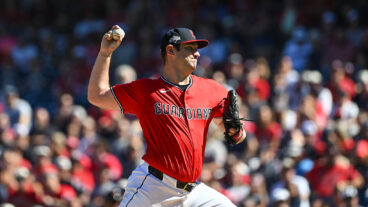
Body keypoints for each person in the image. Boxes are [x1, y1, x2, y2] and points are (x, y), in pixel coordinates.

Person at [87, 25, 247, 206]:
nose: (197, 54)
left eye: (197, 50)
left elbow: (237, 135)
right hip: (154, 188)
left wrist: (237, 131)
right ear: (171, 50)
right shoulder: (147, 90)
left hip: (193, 191)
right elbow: (97, 96)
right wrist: (105, 54)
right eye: (190, 49)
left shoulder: (212, 90)